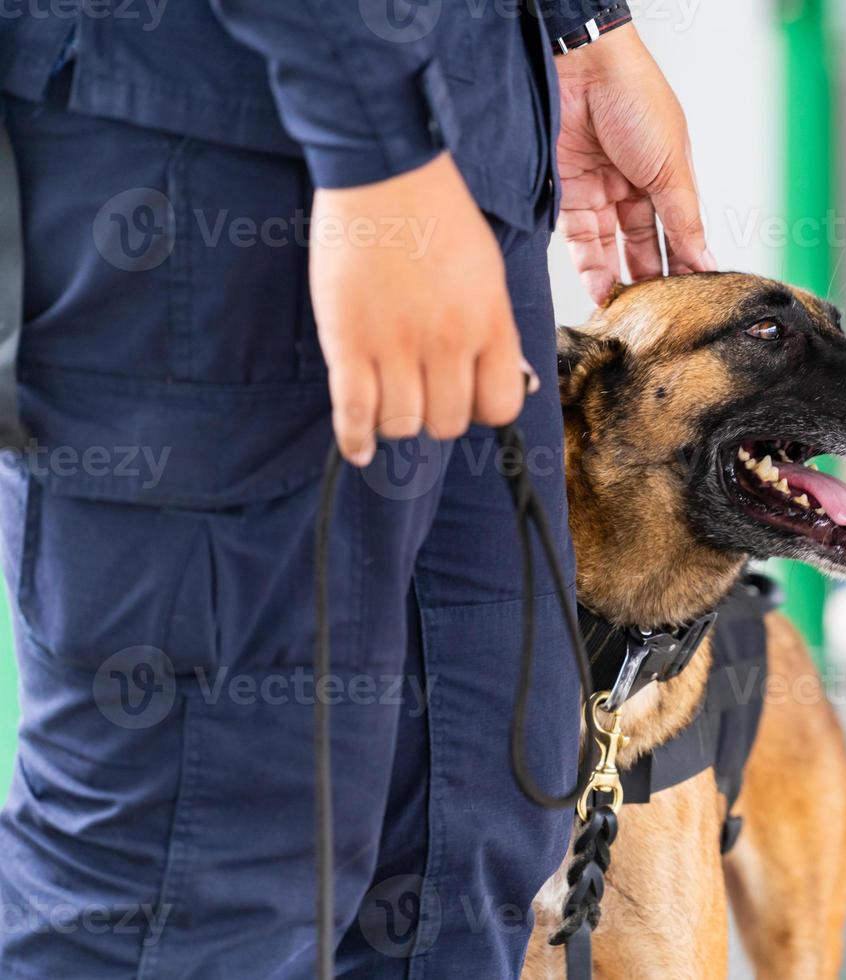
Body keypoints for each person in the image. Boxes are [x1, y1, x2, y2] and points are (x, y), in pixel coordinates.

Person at [0, 0, 712, 975]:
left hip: (457, 136)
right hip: (236, 148)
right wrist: (377, 144)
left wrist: (583, 29)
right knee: (195, 865)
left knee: (465, 824)